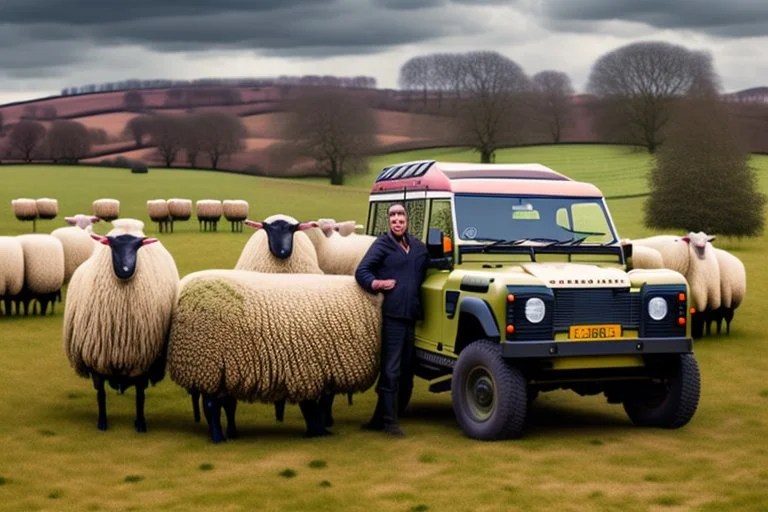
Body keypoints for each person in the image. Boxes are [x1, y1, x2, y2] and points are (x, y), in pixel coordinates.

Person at [355, 203, 429, 437]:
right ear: (389, 221)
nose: (397, 220)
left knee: (407, 370)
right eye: (393, 216)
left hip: (411, 317)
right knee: (391, 369)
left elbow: (431, 264)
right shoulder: (382, 245)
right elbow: (362, 271)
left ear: (407, 220)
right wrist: (378, 284)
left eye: (401, 216)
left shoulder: (418, 247)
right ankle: (389, 422)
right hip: (393, 317)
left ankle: (379, 418)